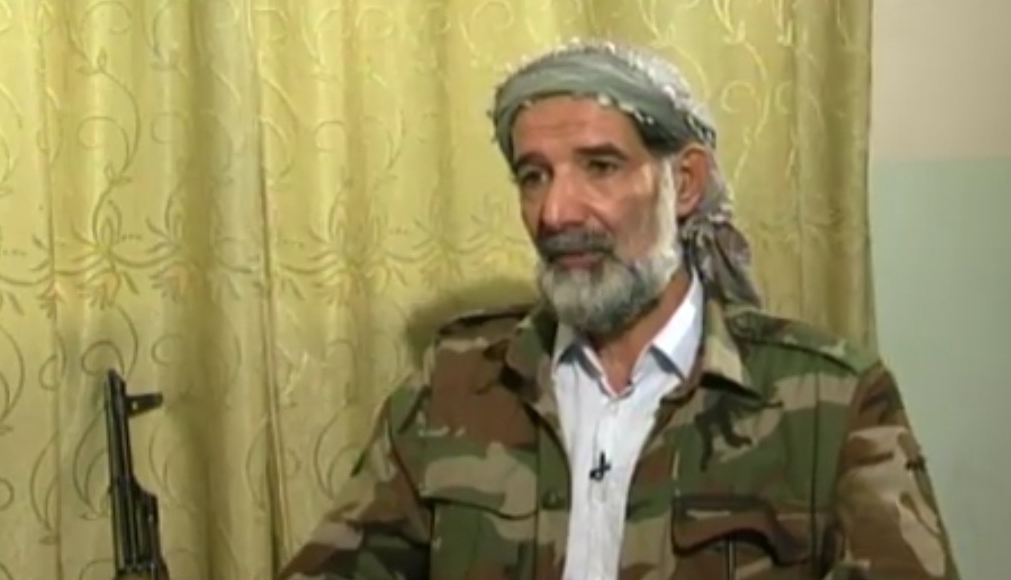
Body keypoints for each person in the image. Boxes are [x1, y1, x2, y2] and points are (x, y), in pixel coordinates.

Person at [275, 39, 960, 580]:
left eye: (599, 167)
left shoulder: (829, 400)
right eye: (533, 176)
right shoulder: (453, 385)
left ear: (683, 184)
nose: (555, 212)